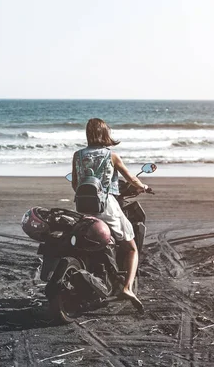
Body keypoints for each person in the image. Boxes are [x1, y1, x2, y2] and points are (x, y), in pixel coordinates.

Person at [72, 118, 147, 312]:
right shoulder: (111, 156)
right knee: (131, 247)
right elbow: (131, 178)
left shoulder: (77, 155)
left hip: (83, 208)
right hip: (107, 207)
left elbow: (75, 184)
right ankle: (126, 288)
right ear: (105, 134)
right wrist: (144, 187)